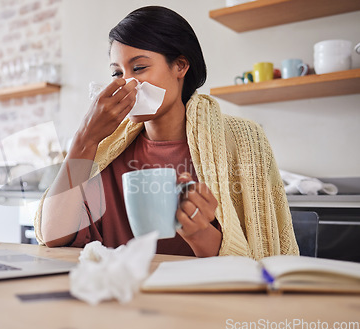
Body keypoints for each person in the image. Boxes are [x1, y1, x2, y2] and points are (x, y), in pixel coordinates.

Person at [34, 6, 299, 259]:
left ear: (180, 66)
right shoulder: (103, 152)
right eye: (117, 73)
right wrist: (86, 138)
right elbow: (55, 236)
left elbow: (261, 259)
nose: (128, 83)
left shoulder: (242, 140)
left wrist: (197, 231)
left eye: (138, 68)